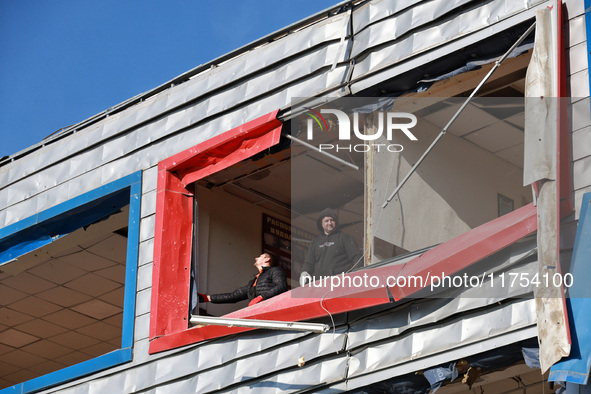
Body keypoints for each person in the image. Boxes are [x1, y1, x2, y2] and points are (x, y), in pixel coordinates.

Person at [299, 208, 363, 286]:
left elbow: (357, 258)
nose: (330, 223)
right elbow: (309, 263)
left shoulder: (345, 237)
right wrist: (304, 272)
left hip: (340, 283)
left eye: (332, 220)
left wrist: (355, 277)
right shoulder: (315, 242)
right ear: (321, 223)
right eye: (326, 221)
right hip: (320, 285)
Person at [198, 252, 287, 306]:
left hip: (271, 310)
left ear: (267, 259)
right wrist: (207, 298)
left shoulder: (275, 270)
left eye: (260, 256)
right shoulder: (252, 282)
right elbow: (234, 296)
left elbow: (282, 286)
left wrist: (261, 297)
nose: (256, 258)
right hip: (258, 313)